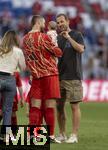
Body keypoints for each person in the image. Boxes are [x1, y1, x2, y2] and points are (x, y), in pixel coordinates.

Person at [23, 15, 62, 143]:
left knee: (35, 107)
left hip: (35, 76)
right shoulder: (44, 37)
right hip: (49, 75)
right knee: (50, 106)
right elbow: (58, 53)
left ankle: (32, 135)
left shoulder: (25, 39)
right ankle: (50, 136)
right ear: (39, 22)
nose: (44, 26)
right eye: (43, 23)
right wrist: (54, 40)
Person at [56, 14, 85, 143]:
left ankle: (74, 135)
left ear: (67, 21)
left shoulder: (77, 34)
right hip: (59, 77)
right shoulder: (56, 38)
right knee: (59, 107)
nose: (60, 24)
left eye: (62, 21)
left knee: (74, 106)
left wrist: (69, 38)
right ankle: (62, 134)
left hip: (73, 76)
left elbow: (80, 49)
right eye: (58, 22)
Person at [0, 30, 26, 140]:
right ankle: (6, 136)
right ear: (16, 39)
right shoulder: (18, 51)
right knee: (7, 110)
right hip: (10, 79)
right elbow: (23, 67)